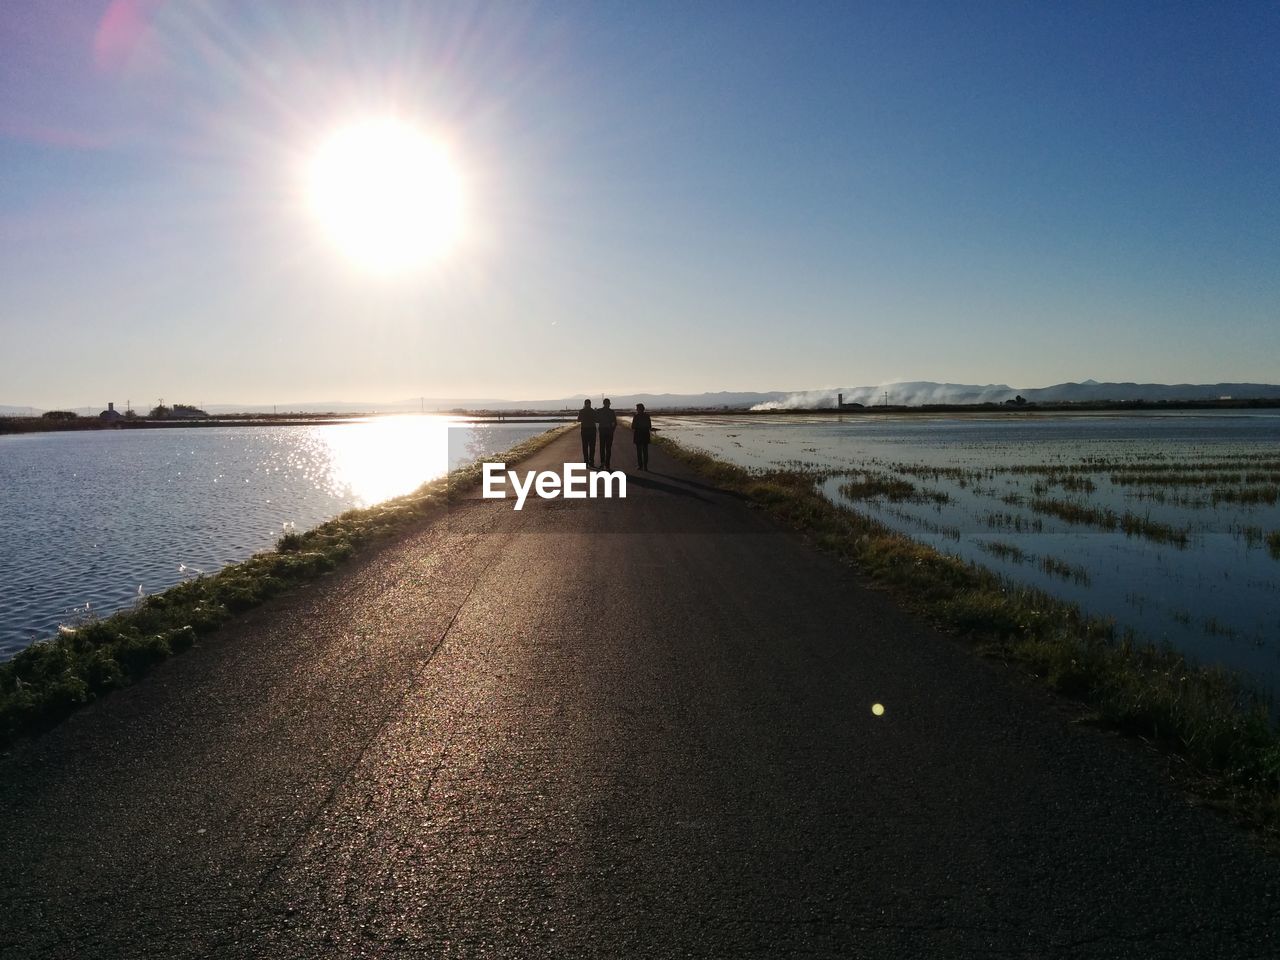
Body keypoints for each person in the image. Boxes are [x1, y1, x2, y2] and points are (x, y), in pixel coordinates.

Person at [596, 398, 618, 470]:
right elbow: (615, 423)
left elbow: (596, 420)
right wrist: (612, 430)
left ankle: (602, 463)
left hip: (602, 431)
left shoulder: (599, 411)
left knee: (602, 448)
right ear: (609, 404)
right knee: (608, 449)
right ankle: (607, 464)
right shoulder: (612, 412)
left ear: (603, 403)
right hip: (609, 432)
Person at [632, 402, 653, 470]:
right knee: (645, 451)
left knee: (639, 452)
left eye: (637, 408)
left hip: (638, 435)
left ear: (638, 409)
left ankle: (640, 466)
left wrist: (638, 427)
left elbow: (633, 427)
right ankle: (645, 467)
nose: (636, 410)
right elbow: (649, 426)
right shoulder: (647, 416)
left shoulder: (636, 416)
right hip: (645, 435)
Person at [577, 398, 597, 466]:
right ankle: (591, 461)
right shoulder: (593, 411)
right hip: (592, 430)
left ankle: (586, 461)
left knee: (585, 446)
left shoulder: (581, 411)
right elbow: (596, 420)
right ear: (590, 404)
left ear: (584, 404)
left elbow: (578, 420)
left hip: (584, 430)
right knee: (592, 446)